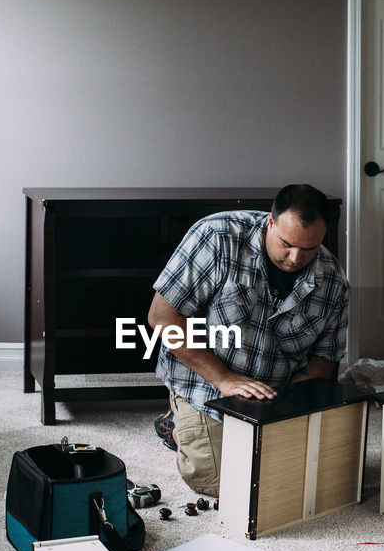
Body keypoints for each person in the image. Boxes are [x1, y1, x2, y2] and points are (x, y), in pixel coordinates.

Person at [149, 184, 349, 496]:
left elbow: (325, 360)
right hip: (206, 384)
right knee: (222, 483)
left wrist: (288, 412)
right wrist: (224, 378)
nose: (296, 257)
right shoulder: (215, 236)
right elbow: (162, 318)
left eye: (309, 248)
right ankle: (176, 424)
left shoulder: (333, 278)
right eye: (287, 244)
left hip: (273, 395)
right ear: (271, 221)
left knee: (302, 477)